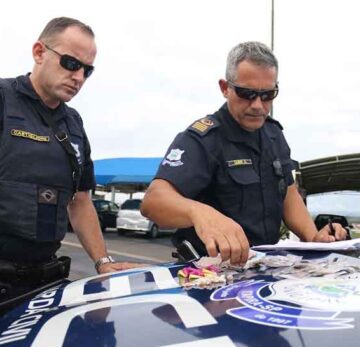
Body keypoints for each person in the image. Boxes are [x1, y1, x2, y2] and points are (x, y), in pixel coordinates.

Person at [141, 41, 347, 266]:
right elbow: (153, 201)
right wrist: (199, 212)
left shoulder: (273, 135)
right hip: (211, 274)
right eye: (247, 93)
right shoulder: (203, 139)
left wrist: (314, 238)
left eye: (268, 94)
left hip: (264, 270)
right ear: (225, 88)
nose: (258, 105)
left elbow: (288, 193)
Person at [0, 17, 140, 305]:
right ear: (39, 52)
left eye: (87, 70)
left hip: (42, 287)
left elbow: (80, 201)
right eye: (71, 63)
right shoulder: (4, 100)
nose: (79, 77)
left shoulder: (73, 124)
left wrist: (103, 261)